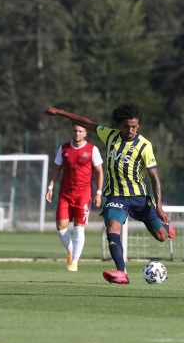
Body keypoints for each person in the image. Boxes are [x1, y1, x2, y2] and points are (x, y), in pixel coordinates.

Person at [43, 103, 175, 284]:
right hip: (116, 196)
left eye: (134, 127)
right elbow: (85, 122)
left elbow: (154, 177)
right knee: (112, 228)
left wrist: (158, 206)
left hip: (139, 197)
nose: (131, 130)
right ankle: (121, 272)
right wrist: (60, 112)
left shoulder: (144, 146)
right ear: (120, 124)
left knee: (161, 237)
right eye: (127, 126)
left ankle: (165, 228)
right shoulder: (110, 135)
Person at [45, 124, 104, 271]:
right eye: (75, 131)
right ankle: (71, 252)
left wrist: (98, 192)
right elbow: (56, 170)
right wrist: (50, 187)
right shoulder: (63, 149)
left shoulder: (92, 149)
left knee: (79, 229)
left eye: (80, 131)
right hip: (65, 194)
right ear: (71, 132)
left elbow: (99, 172)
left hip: (83, 195)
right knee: (61, 228)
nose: (77, 133)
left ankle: (74, 262)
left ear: (85, 133)